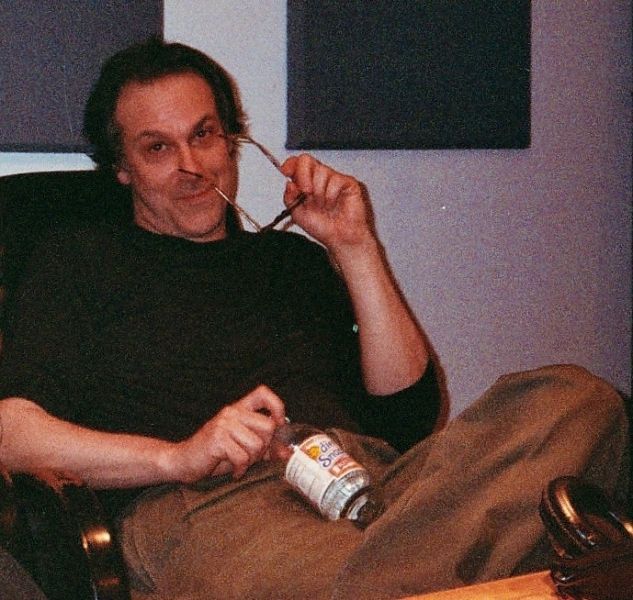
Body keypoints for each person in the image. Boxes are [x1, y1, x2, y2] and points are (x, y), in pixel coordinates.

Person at [0, 38, 628, 599]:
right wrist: (178, 458)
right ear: (121, 168)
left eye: (204, 134)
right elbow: (12, 433)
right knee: (358, 568)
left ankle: (416, 575)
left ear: (232, 140)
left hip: (375, 487)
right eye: (158, 147)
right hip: (215, 508)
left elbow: (407, 416)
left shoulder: (292, 260)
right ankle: (483, 570)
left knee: (579, 402)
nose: (192, 165)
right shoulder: (79, 261)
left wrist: (354, 247)